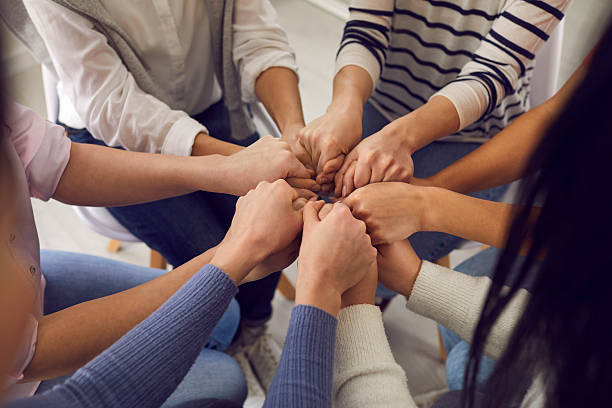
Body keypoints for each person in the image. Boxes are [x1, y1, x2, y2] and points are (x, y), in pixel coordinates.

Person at [1, 0, 316, 376]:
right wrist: (234, 251)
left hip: (202, 105)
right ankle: (232, 346)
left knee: (273, 228)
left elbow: (54, 162)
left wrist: (287, 136)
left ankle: (252, 330)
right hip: (112, 135)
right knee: (223, 347)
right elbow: (111, 107)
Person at [0, 94, 318, 405]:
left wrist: (224, 169)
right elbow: (26, 351)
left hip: (30, 284)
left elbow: (57, 162)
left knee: (226, 314)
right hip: (16, 375)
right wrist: (232, 257)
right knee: (225, 379)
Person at [296, 0, 569, 302]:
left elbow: (492, 70)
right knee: (320, 229)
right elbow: (366, 28)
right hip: (382, 103)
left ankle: (364, 307)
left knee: (362, 259)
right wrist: (345, 106)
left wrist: (406, 150)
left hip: (476, 137)